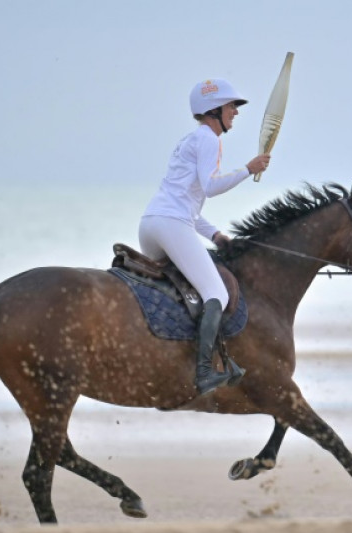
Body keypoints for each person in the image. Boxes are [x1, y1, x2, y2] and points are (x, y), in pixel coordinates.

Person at [139, 78, 270, 396]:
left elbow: (187, 202)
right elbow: (210, 187)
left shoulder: (189, 140)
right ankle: (204, 371)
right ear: (213, 110)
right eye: (231, 107)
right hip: (171, 225)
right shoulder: (210, 140)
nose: (235, 113)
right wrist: (247, 169)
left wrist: (215, 235)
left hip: (151, 224)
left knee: (188, 290)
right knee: (217, 294)